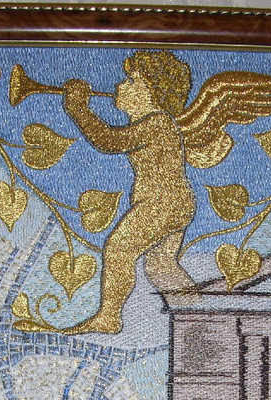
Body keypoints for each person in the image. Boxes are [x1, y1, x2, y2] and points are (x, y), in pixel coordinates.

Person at [59, 50, 198, 334]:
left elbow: (109, 140)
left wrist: (78, 110)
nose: (119, 85)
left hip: (161, 203)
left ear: (153, 93)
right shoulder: (154, 123)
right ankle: (197, 313)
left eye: (132, 81)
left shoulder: (157, 122)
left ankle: (109, 317)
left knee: (119, 248)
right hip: (177, 203)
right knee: (160, 265)